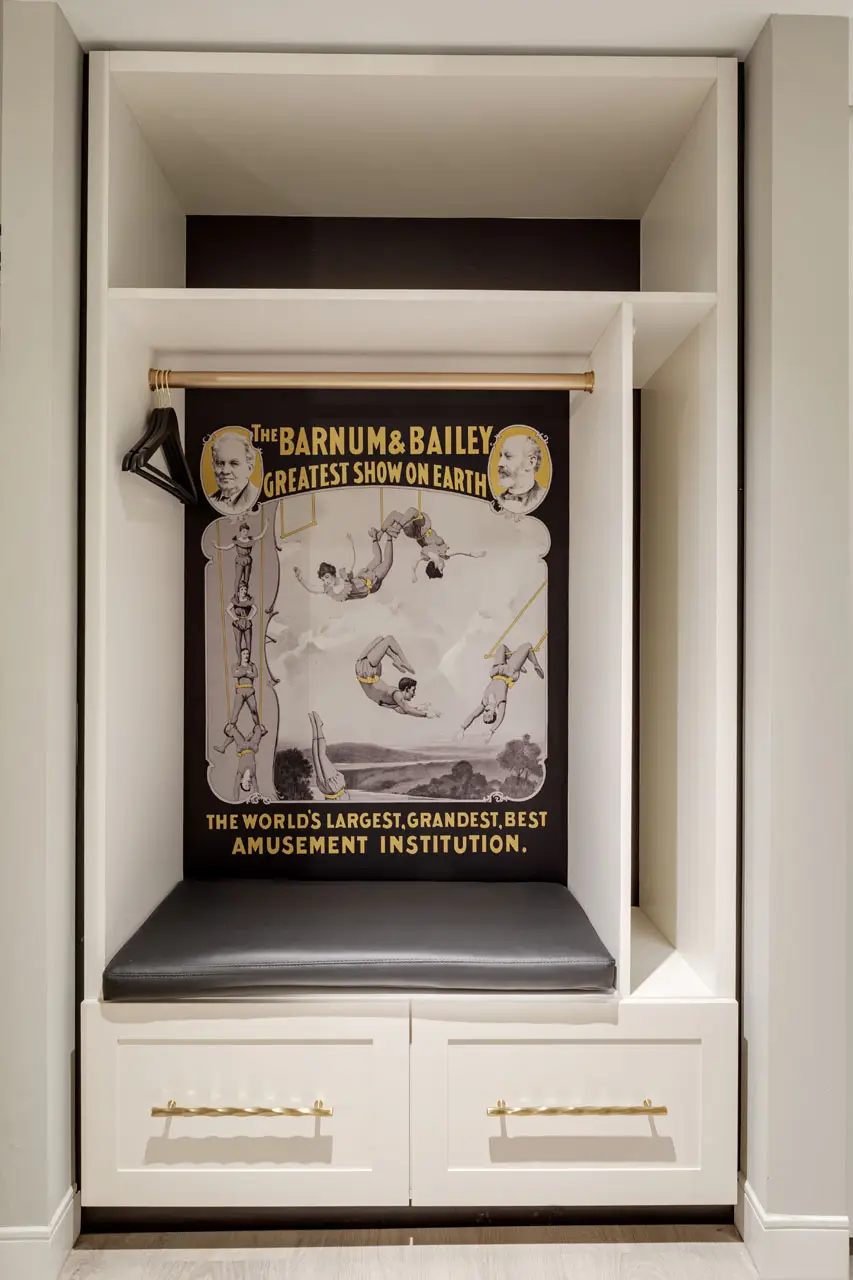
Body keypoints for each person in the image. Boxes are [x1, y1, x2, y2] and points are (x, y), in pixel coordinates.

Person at [459, 641, 544, 741]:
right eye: (489, 715)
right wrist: (491, 731)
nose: (486, 713)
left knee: (501, 646)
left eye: (484, 716)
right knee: (527, 646)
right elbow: (500, 717)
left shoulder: (484, 702)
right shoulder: (500, 702)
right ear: (494, 712)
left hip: (496, 671)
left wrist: (462, 728)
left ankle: (517, 660)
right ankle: (536, 665)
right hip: (509, 671)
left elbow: (473, 715)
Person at [379, 506, 486, 581]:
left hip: (419, 531)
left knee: (412, 511)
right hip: (419, 528)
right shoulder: (442, 554)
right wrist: (474, 555)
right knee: (395, 515)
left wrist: (413, 573)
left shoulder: (431, 555)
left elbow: (415, 561)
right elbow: (461, 551)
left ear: (436, 566)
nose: (444, 566)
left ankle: (395, 530)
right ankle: (380, 533)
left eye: (442, 568)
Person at [293, 529, 395, 602]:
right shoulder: (330, 590)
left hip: (361, 578)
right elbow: (312, 588)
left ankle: (374, 537)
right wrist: (300, 579)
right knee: (387, 563)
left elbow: (352, 560)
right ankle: (389, 536)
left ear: (333, 573)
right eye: (323, 580)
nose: (326, 581)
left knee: (377, 559)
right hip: (371, 584)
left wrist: (351, 543)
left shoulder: (343, 576)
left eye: (327, 577)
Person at [355, 635, 439, 718]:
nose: (414, 694)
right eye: (413, 690)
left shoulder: (395, 701)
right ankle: (402, 662)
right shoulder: (397, 695)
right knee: (383, 639)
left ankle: (398, 661)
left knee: (387, 640)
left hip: (365, 670)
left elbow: (406, 710)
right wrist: (425, 713)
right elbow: (407, 709)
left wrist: (422, 709)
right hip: (366, 671)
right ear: (406, 689)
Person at [207, 432, 260, 516]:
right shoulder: (209, 500)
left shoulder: (258, 499)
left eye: (234, 463)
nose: (225, 471)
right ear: (213, 466)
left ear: (249, 469)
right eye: (220, 463)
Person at [212, 721, 268, 801]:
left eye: (245, 785)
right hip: (252, 747)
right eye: (249, 785)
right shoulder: (252, 776)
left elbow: (236, 788)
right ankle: (255, 734)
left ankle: (222, 748)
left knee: (233, 730)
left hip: (242, 747)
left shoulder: (240, 773)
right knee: (258, 728)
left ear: (241, 781)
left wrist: (236, 802)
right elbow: (256, 789)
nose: (248, 784)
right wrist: (256, 798)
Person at [494, 431, 546, 515]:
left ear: (531, 463)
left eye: (508, 456)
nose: (500, 463)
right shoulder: (497, 500)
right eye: (501, 456)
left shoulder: (544, 497)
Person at [213, 517, 268, 593]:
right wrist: (217, 546)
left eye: (247, 531)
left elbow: (261, 535)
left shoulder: (250, 539)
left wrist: (266, 524)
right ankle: (236, 594)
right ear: (240, 531)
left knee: (246, 579)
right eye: (244, 531)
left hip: (248, 560)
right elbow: (228, 547)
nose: (245, 533)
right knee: (238, 578)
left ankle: (245, 594)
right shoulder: (237, 540)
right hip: (240, 560)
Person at [308, 711, 349, 801]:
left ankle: (314, 727)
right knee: (321, 756)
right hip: (335, 787)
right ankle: (318, 727)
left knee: (316, 756)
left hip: (326, 789)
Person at [226, 584, 257, 656]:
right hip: (238, 623)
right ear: (238, 591)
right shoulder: (235, 600)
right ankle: (239, 659)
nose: (244, 591)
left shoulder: (248, 600)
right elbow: (228, 609)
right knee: (238, 642)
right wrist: (234, 617)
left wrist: (250, 617)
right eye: (242, 589)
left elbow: (255, 609)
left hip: (247, 623)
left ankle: (248, 660)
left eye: (245, 589)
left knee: (248, 643)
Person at [231, 649, 259, 727]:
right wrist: (247, 672)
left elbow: (255, 675)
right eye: (244, 654)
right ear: (240, 655)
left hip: (250, 691)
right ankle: (231, 727)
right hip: (240, 691)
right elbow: (234, 674)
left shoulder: (252, 665)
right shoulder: (236, 665)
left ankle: (257, 726)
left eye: (247, 654)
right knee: (236, 711)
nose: (246, 655)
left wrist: (241, 673)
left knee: (254, 710)